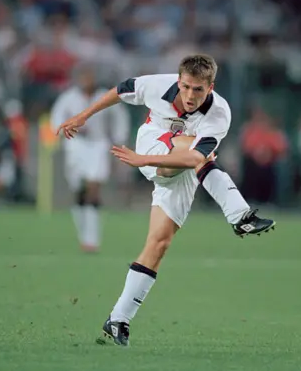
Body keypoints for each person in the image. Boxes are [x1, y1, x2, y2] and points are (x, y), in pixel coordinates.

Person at [57, 54, 275, 346]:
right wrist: (84, 116)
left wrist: (139, 161)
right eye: (185, 87)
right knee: (199, 151)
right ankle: (240, 216)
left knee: (158, 244)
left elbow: (193, 159)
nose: (189, 95)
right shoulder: (158, 85)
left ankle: (118, 319)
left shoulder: (219, 113)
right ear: (178, 80)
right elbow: (121, 90)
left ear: (210, 87)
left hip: (179, 165)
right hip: (153, 140)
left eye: (198, 89)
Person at [50, 65, 130, 253]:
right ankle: (83, 233)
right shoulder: (68, 98)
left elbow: (120, 117)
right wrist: (63, 132)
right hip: (75, 146)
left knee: (93, 188)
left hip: (98, 145)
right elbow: (56, 118)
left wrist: (118, 139)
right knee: (79, 190)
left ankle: (92, 239)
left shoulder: (104, 95)